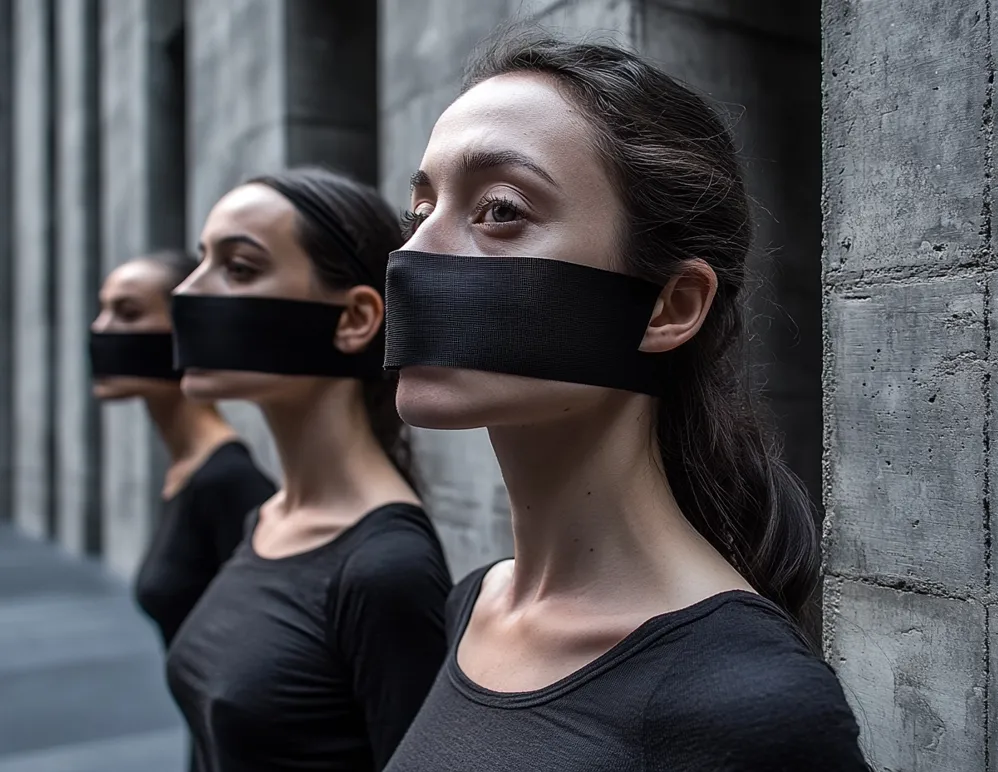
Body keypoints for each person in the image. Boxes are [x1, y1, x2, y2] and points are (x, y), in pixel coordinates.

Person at [380, 32, 870, 771]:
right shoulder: (473, 605)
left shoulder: (751, 705)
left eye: (500, 209)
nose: (411, 255)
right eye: (420, 211)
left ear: (669, 306)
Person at [164, 167, 452, 772]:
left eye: (238, 268)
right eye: (200, 260)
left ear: (354, 319)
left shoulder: (387, 570)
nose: (187, 292)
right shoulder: (266, 517)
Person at [90, 250, 277, 650]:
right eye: (102, 310)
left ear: (185, 329)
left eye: (128, 312)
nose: (100, 329)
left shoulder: (229, 481)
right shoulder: (187, 468)